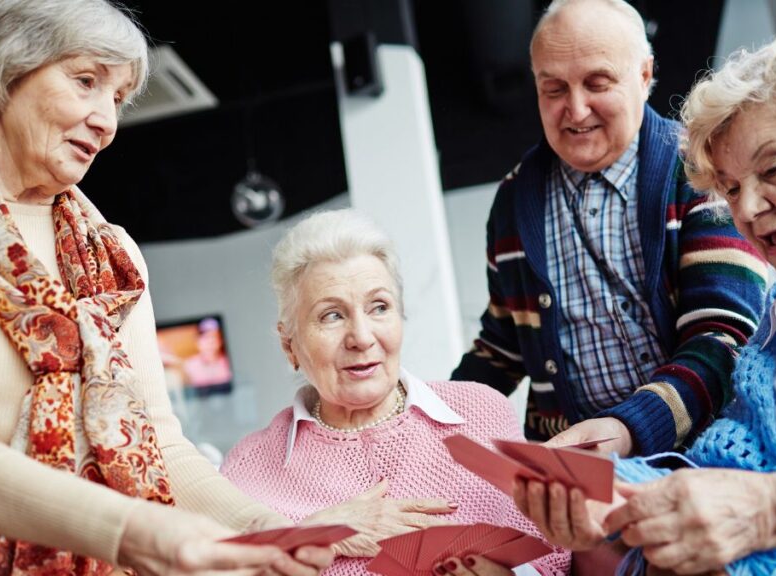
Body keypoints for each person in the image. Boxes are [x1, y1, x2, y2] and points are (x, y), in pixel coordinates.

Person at [0, 1, 335, 574]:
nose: (107, 123)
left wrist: (266, 530)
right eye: (86, 82)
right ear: (3, 70)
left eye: (116, 98)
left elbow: (159, 444)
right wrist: (126, 529)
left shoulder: (113, 256)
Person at [515, 30, 776, 574]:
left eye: (774, 168)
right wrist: (615, 498)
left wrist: (771, 510)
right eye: (732, 189)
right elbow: (722, 473)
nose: (750, 208)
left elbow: (752, 500)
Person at [451, 0, 767, 457]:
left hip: (709, 452)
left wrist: (631, 428)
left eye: (597, 84)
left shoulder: (702, 169)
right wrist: (424, 416)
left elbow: (725, 335)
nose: (576, 111)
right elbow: (501, 348)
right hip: (575, 472)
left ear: (643, 75)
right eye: (553, 89)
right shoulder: (513, 201)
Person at [221, 209, 572, 576]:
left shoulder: (482, 410)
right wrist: (316, 535)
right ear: (289, 344)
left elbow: (555, 551)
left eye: (379, 307)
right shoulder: (251, 465)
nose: (362, 337)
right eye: (331, 316)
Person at [183, 317, 234, 388]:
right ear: (197, 341)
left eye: (214, 338)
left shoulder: (228, 362)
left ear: (220, 342)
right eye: (206, 338)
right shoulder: (189, 365)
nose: (210, 343)